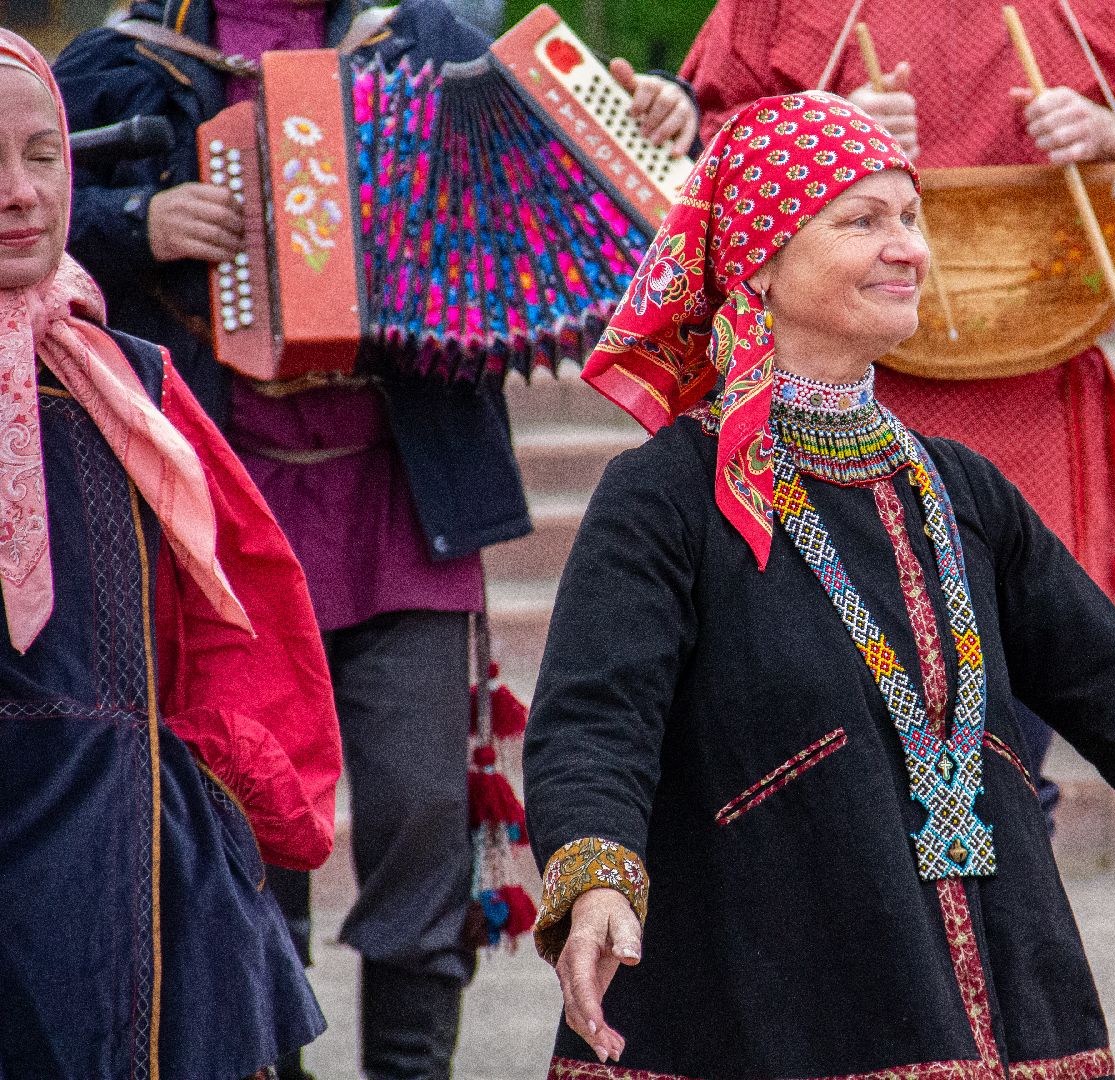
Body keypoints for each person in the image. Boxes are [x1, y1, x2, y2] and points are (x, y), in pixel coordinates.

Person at [521, 93, 1115, 1077]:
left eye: (911, 217)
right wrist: (600, 878)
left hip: (997, 984)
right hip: (769, 997)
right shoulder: (668, 494)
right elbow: (595, 719)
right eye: (860, 220)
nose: (905, 246)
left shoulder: (961, 489)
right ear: (761, 267)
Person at [53, 2, 698, 1077]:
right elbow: (31, 209)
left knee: (422, 815)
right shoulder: (122, 64)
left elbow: (589, 177)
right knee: (252, 821)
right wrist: (139, 218)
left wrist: (647, 122)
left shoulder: (432, 43)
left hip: (403, 502)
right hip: (222, 513)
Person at [680, 0, 1115, 816]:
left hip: (1032, 405)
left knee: (1008, 763)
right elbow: (697, 152)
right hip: (828, 401)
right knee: (837, 760)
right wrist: (817, 130)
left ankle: (1001, 928)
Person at [0, 28, 341, 1079]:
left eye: (41, 156)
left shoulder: (135, 386)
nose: (17, 193)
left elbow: (244, 609)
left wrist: (233, 794)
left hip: (129, 844)